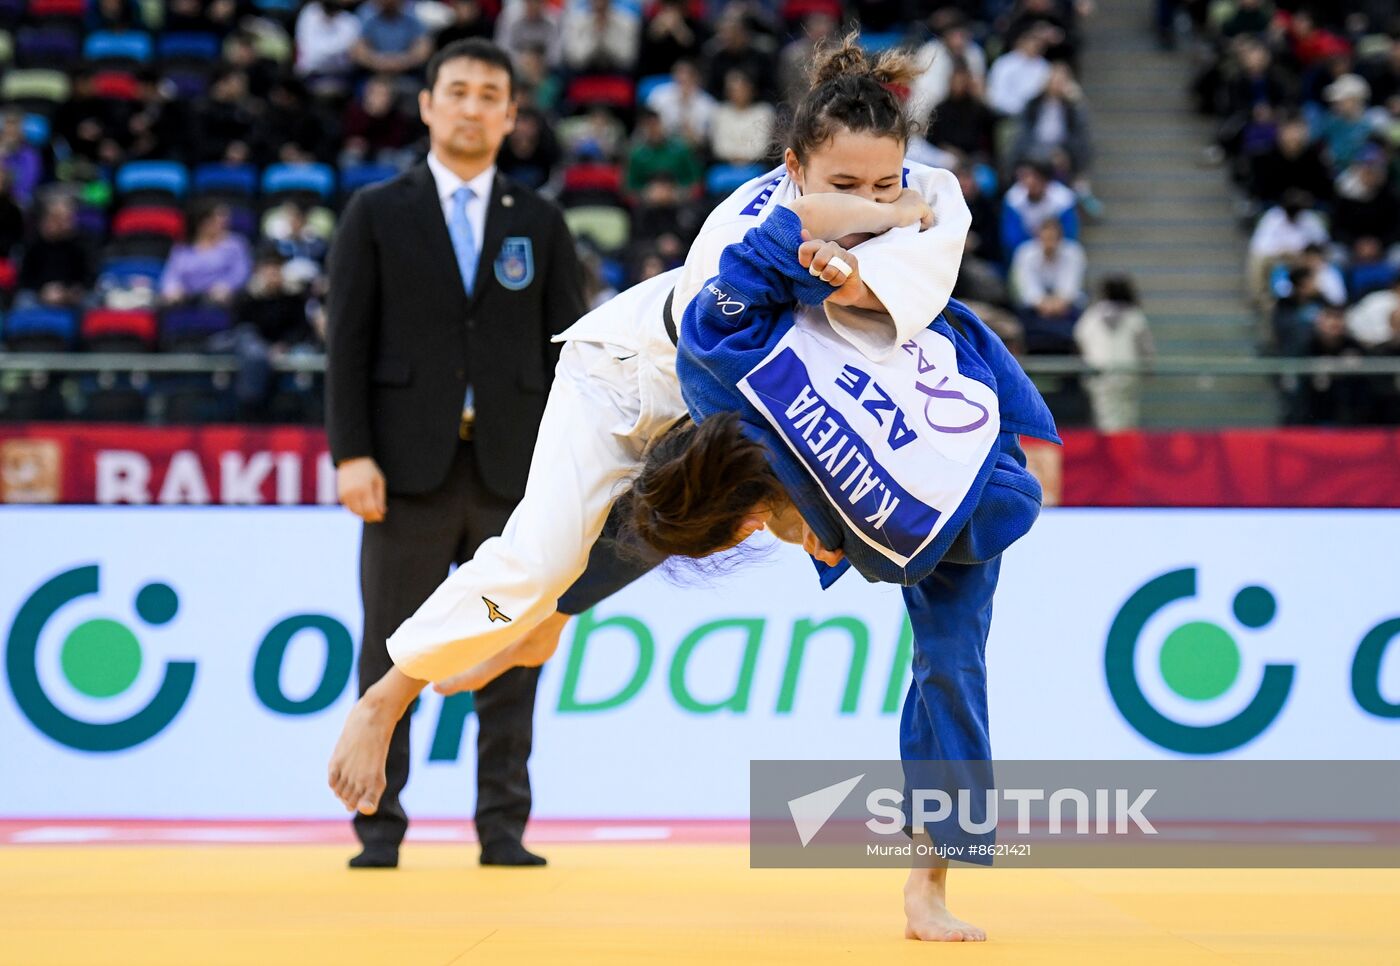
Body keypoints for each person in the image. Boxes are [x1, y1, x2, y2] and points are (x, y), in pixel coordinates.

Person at [328, 33, 974, 904]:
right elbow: (740, 340)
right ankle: (388, 695)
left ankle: (552, 621)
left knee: (704, 513)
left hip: (721, 417)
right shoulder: (743, 222)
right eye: (843, 186)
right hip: (618, 381)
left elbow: (920, 253)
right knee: (538, 561)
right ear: (791, 170)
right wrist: (891, 219)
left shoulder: (927, 198)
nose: (866, 203)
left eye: (884, 184)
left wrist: (897, 216)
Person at [622, 191, 1057, 942]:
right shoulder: (820, 508)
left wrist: (847, 234)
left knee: (951, 663)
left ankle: (929, 883)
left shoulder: (715, 359)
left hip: (947, 393)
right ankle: (930, 886)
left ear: (724, 502)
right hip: (945, 462)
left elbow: (769, 248)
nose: (749, 538)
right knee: (950, 664)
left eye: (734, 533)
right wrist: (821, 529)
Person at [325, 38, 586, 870]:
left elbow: (570, 359)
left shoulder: (539, 221)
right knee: (391, 643)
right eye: (459, 92)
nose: (472, 107)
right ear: (428, 105)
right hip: (404, 469)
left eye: (489, 96)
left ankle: (503, 826)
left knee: (510, 644)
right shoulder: (376, 211)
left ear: (511, 116)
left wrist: (566, 472)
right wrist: (351, 453)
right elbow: (347, 345)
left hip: (516, 473)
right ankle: (378, 826)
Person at [1074, 275, 1154, 431]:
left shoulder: (1092, 316)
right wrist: (1148, 368)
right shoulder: (1135, 316)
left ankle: (1111, 445)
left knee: (1105, 418)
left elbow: (1079, 337)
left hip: (1100, 375)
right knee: (1127, 418)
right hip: (1129, 375)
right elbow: (1145, 348)